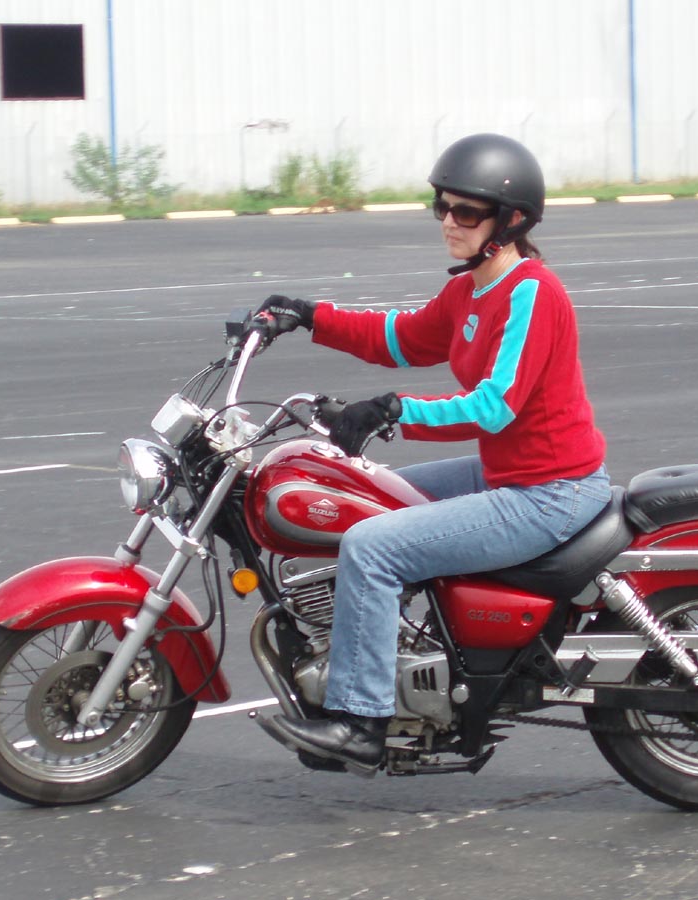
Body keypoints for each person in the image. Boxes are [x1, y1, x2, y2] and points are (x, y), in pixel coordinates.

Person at [256, 133, 610, 774]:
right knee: (370, 499)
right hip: (511, 473)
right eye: (442, 207)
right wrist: (309, 316)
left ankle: (360, 721)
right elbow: (402, 338)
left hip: (550, 491)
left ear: (510, 221)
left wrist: (394, 411)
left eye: (466, 211)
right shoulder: (471, 289)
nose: (449, 221)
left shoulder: (531, 292)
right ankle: (400, 659)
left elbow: (493, 407)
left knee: (373, 546)